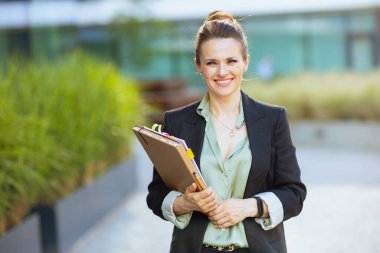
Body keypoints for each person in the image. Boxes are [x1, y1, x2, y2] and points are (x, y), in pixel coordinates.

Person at [147, 10, 306, 253]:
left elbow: (294, 194)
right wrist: (184, 203)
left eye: (231, 61)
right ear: (198, 66)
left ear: (245, 62)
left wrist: (250, 207)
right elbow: (156, 194)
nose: (222, 72)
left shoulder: (273, 119)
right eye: (212, 62)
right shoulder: (176, 122)